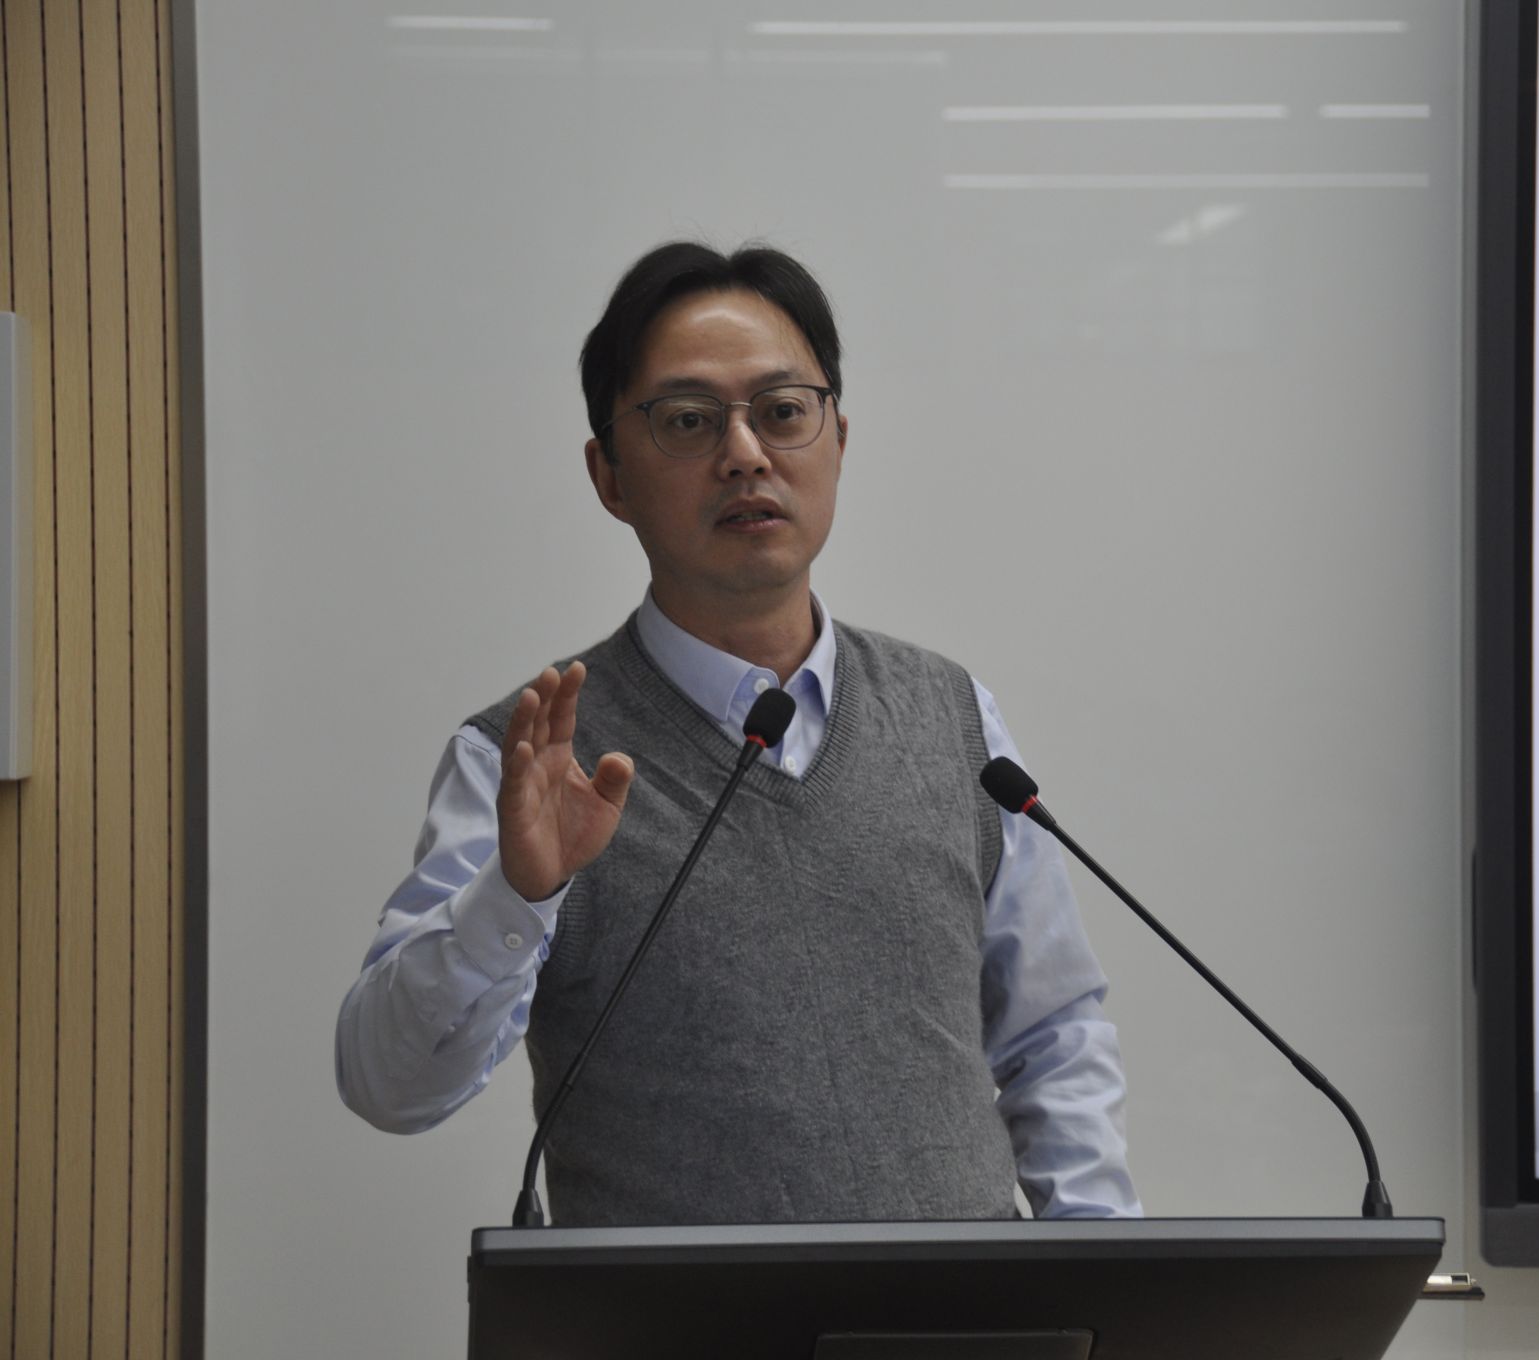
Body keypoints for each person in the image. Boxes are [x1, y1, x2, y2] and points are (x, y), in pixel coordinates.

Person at [334, 241, 1140, 1227]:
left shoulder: (953, 714)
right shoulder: (529, 761)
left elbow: (1053, 1035)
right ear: (609, 476)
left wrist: (1102, 1267)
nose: (746, 453)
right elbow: (387, 1086)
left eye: (783, 412)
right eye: (688, 420)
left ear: (838, 440)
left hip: (970, 1307)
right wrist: (517, 892)